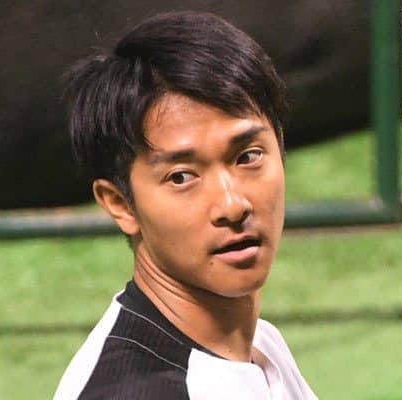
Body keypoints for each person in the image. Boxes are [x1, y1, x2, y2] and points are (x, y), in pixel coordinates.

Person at [53, 11, 317, 400]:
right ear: (120, 204)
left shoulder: (257, 342)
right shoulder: (138, 392)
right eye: (181, 177)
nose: (232, 205)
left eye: (247, 156)